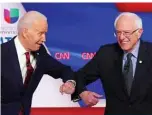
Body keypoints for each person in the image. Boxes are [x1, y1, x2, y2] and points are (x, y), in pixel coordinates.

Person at [60, 12, 152, 114]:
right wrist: (82, 93)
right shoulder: (106, 53)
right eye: (118, 32)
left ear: (139, 32)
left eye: (126, 32)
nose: (121, 37)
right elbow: (79, 76)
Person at [1, 11, 75, 115]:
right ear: (25, 32)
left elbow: (64, 70)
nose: (44, 39)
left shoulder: (41, 53)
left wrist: (70, 82)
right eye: (40, 33)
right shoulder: (2, 53)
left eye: (45, 33)